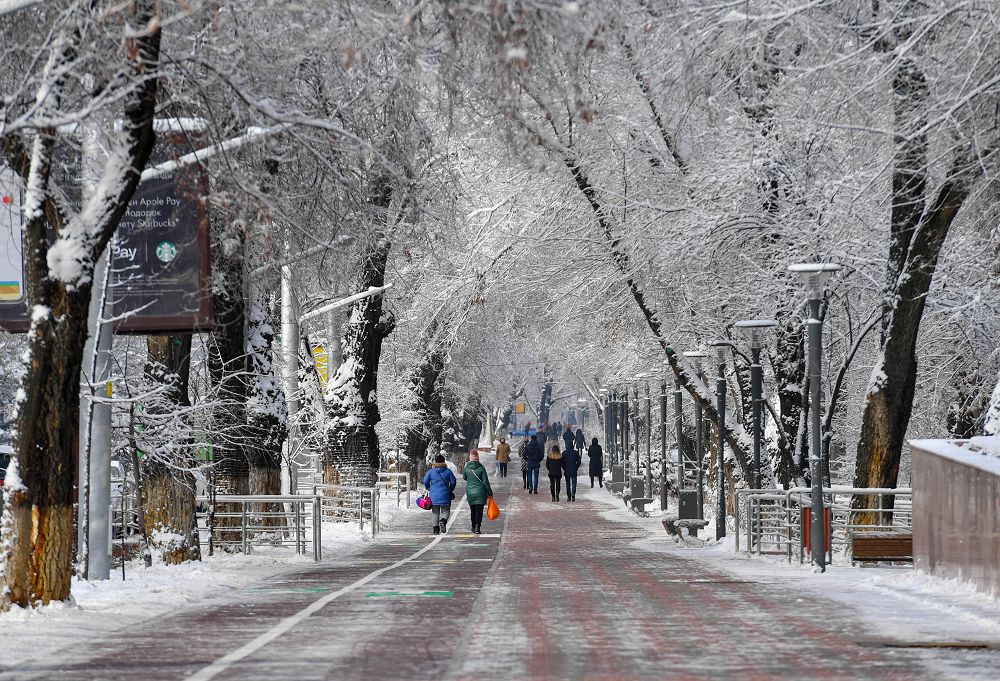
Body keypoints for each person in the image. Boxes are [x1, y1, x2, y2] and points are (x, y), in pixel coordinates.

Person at [422, 454, 457, 535]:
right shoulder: (448, 471)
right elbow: (453, 481)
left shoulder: (431, 471)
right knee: (446, 510)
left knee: (435, 512)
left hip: (434, 494)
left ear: (435, 462)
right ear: (444, 461)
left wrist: (428, 488)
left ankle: (436, 530)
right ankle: (443, 520)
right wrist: (451, 489)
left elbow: (425, 481)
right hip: (445, 493)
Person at [463, 450, 494, 534]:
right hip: (480, 492)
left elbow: (465, 478)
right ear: (478, 457)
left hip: (470, 492)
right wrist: (490, 493)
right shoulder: (481, 468)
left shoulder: (466, 468)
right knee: (479, 511)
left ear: (470, 457)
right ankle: (477, 527)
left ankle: (473, 526)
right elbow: (486, 482)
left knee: (472, 510)